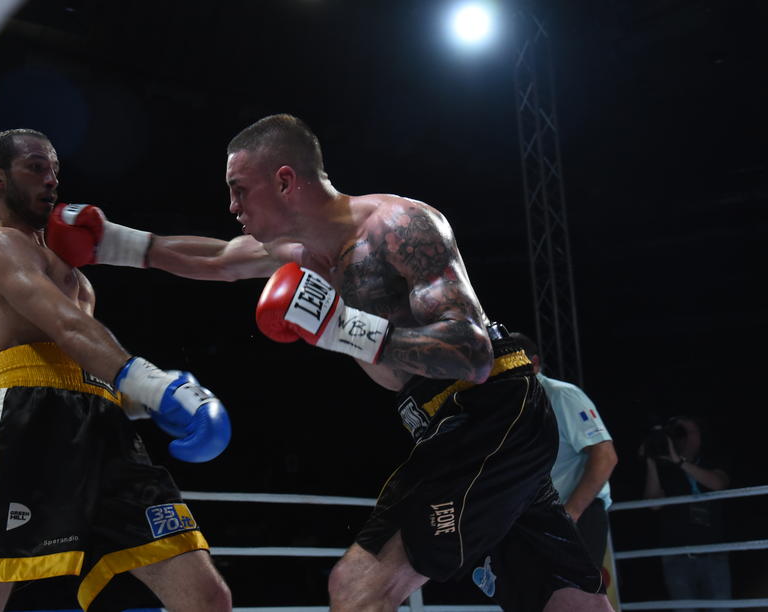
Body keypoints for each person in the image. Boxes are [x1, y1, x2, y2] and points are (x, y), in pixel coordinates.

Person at [46, 113, 613, 611]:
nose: (232, 206)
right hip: (447, 419)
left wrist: (344, 329)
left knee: (357, 586)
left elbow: (473, 353)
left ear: (284, 180)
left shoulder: (399, 226)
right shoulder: (297, 252)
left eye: (239, 190)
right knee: (566, 600)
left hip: (490, 410)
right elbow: (217, 259)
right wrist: (112, 243)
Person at [0, 129, 233, 612]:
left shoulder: (68, 267)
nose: (52, 180)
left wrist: (147, 403)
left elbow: (80, 361)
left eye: (55, 169)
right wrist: (154, 385)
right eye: (36, 167)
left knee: (207, 597)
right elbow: (66, 326)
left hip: (104, 425)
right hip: (29, 419)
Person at [509, 332, 618, 568]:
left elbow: (605, 456)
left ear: (534, 363)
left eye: (510, 365)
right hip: (531, 520)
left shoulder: (561, 395)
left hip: (573, 514)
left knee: (576, 591)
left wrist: (570, 515)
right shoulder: (508, 407)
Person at [641, 415, 732, 612]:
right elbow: (653, 504)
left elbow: (718, 483)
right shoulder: (665, 469)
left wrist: (680, 462)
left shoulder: (711, 460)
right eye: (678, 433)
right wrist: (651, 460)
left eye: (687, 432)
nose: (684, 438)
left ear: (699, 435)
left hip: (713, 554)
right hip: (677, 557)